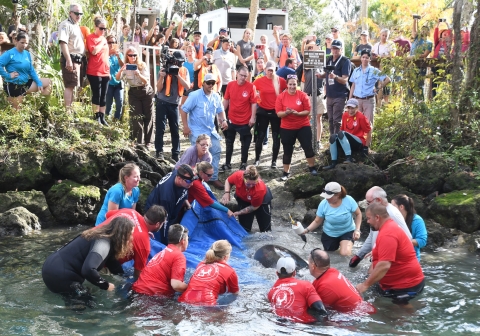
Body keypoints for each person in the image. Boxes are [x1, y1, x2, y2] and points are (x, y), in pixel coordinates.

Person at [42, 217, 134, 296]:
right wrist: (106, 285)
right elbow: (88, 269)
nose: (131, 238)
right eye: (130, 234)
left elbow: (113, 264)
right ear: (122, 235)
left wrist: (126, 280)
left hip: (49, 268)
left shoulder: (100, 236)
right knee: (88, 306)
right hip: (61, 276)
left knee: (86, 297)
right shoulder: (103, 243)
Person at [355, 203, 425, 305]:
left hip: (405, 287)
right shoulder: (389, 226)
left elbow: (384, 265)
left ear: (377, 217)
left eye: (369, 218)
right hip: (396, 284)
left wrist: (364, 285)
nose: (368, 221)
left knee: (397, 316)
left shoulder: (388, 233)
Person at [180, 73, 228, 190]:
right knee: (199, 154)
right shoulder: (194, 95)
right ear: (203, 83)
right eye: (209, 83)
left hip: (210, 130)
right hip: (196, 130)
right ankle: (196, 178)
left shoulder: (216, 96)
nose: (211, 85)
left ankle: (213, 177)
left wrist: (224, 120)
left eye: (213, 83)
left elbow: (220, 111)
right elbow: (183, 110)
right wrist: (185, 126)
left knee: (216, 150)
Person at [349, 186, 413, 267]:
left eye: (368, 202)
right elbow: (372, 235)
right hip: (378, 257)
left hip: (393, 262)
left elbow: (407, 239)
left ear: (378, 200)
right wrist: (359, 256)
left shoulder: (392, 214)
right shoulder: (377, 211)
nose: (367, 205)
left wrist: (378, 250)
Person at [97, 205, 167, 278]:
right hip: (100, 262)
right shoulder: (144, 244)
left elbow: (107, 215)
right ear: (158, 224)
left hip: (90, 239)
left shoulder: (130, 211)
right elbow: (137, 274)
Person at [301, 182, 361, 255]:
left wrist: (357, 230)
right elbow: (317, 221)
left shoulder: (349, 200)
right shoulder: (323, 204)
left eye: (329, 196)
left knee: (345, 254)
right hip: (329, 233)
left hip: (347, 231)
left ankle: (344, 246)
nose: (327, 198)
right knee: (330, 255)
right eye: (326, 196)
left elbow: (358, 214)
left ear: (338, 194)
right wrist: (306, 230)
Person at [276, 74, 317, 180]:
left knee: (307, 147)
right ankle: (286, 172)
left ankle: (312, 167)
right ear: (287, 85)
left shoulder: (303, 95)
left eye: (294, 84)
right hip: (287, 127)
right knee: (287, 150)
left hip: (302, 125)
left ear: (297, 84)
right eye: (290, 84)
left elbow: (307, 111)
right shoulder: (281, 96)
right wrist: (286, 112)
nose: (292, 86)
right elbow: (279, 114)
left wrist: (297, 113)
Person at [309, 249, 375, 313]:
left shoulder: (326, 286)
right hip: (365, 308)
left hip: (356, 315)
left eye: (309, 262)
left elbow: (321, 311)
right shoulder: (333, 271)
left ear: (313, 266)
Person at [132, 224, 189, 296]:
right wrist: (191, 288)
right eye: (187, 239)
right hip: (149, 296)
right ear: (183, 241)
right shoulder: (179, 256)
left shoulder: (163, 251)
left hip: (136, 290)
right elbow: (176, 285)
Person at [348, 50, 390, 149]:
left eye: (367, 57)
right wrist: (350, 101)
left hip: (368, 100)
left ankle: (366, 147)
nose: (365, 59)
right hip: (357, 100)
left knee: (367, 124)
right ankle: (357, 145)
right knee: (356, 123)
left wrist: (379, 87)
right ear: (360, 58)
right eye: (363, 57)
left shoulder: (373, 70)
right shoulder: (356, 71)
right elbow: (353, 86)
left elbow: (387, 79)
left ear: (370, 59)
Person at [179, 240, 239, 305]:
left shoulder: (201, 264)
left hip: (185, 299)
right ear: (225, 257)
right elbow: (235, 293)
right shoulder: (230, 271)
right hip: (207, 303)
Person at [144, 164, 194, 244]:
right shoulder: (167, 196)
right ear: (179, 178)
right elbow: (165, 223)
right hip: (157, 212)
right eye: (188, 181)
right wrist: (167, 243)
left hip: (171, 206)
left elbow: (184, 192)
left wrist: (186, 202)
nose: (191, 184)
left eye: (192, 180)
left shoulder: (179, 175)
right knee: (160, 235)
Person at [0, 32, 51, 109]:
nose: (24, 45)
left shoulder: (27, 53)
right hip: (13, 85)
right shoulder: (10, 53)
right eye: (22, 42)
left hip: (25, 84)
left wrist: (38, 82)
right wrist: (8, 75)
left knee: (48, 82)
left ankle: (42, 109)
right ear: (16, 41)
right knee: (17, 114)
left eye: (26, 43)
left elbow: (31, 69)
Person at [155, 50, 190, 161]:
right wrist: (161, 76)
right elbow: (159, 88)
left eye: (182, 62)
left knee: (175, 130)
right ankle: (159, 152)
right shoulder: (165, 69)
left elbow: (187, 86)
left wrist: (178, 76)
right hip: (162, 102)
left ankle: (176, 153)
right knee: (160, 129)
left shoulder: (184, 71)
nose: (180, 64)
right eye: (179, 62)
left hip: (175, 104)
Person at [268, 257, 327, 323]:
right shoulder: (306, 285)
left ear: (277, 273)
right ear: (294, 273)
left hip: (280, 325)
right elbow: (320, 308)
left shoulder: (271, 293)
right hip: (303, 325)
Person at [220, 66, 257, 172]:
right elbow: (226, 100)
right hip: (232, 119)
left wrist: (252, 117)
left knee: (245, 143)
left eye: (245, 76)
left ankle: (243, 163)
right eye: (241, 75)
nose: (243, 78)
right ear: (237, 73)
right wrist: (221, 115)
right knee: (229, 142)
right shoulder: (230, 85)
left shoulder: (251, 87)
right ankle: (227, 163)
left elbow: (254, 103)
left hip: (245, 120)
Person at [116, 45, 154, 146]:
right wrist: (121, 69)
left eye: (135, 55)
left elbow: (146, 81)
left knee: (148, 115)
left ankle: (148, 141)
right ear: (127, 56)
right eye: (130, 55)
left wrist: (138, 74)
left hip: (145, 91)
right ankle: (138, 141)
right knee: (136, 116)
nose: (133, 57)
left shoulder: (142, 65)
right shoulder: (126, 66)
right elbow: (117, 78)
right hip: (134, 92)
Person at [253, 60, 287, 168]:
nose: (270, 73)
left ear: (275, 70)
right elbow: (251, 90)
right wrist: (256, 99)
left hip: (276, 112)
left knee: (276, 137)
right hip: (263, 111)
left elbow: (289, 91)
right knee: (261, 136)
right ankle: (257, 159)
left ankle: (274, 161)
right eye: (268, 70)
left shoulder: (280, 81)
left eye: (272, 70)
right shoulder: (259, 81)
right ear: (265, 70)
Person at [323, 99, 371, 169]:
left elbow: (369, 131)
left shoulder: (361, 117)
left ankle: (349, 157)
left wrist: (366, 147)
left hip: (358, 141)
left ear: (357, 108)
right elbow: (342, 130)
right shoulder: (345, 115)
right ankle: (333, 162)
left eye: (352, 108)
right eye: (349, 108)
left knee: (341, 133)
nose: (350, 110)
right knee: (333, 137)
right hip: (346, 141)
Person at [221, 165, 272, 232]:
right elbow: (228, 181)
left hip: (261, 202)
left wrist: (238, 213)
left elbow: (254, 207)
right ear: (243, 179)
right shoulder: (238, 176)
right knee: (244, 230)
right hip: (243, 199)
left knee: (266, 230)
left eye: (253, 184)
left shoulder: (259, 188)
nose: (250, 186)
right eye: (248, 184)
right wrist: (227, 192)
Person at [321, 39, 351, 136]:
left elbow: (345, 79)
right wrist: (320, 75)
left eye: (337, 49)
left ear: (341, 49)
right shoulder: (329, 59)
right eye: (333, 48)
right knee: (330, 120)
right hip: (329, 95)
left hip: (340, 95)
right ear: (331, 49)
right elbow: (326, 73)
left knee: (337, 121)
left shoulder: (345, 61)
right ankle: (332, 142)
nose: (335, 50)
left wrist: (335, 77)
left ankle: (338, 142)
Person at [58, 3, 85, 109]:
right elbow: (63, 43)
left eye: (80, 13)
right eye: (76, 13)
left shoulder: (76, 25)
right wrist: (68, 60)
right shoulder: (65, 25)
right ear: (70, 13)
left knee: (74, 85)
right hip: (70, 58)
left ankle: (71, 109)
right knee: (70, 85)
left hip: (78, 59)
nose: (79, 15)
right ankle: (68, 111)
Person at [301, 40, 325, 150]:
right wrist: (309, 44)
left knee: (318, 118)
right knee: (307, 118)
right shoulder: (307, 63)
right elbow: (304, 51)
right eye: (311, 48)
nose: (313, 50)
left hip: (319, 94)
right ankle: (308, 140)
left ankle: (318, 141)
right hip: (309, 95)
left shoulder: (321, 63)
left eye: (315, 48)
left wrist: (317, 47)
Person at [86, 17, 110, 125]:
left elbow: (106, 56)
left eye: (105, 29)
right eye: (101, 28)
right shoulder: (91, 37)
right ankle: (96, 117)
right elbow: (94, 51)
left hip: (105, 70)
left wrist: (108, 71)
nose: (103, 31)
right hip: (94, 71)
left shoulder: (104, 39)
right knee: (97, 94)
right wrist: (102, 42)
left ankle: (102, 116)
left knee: (104, 95)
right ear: (96, 27)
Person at [391, 194, 428, 261]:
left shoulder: (417, 220)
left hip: (411, 259)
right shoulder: (392, 219)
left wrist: (400, 243)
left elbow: (422, 241)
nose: (390, 209)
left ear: (401, 207)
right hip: (394, 258)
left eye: (393, 206)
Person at [105, 35, 124, 121]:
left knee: (119, 103)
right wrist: (108, 54)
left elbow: (123, 65)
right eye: (109, 42)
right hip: (108, 83)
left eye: (113, 42)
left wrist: (118, 56)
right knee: (108, 104)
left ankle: (116, 121)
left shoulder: (119, 54)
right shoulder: (104, 53)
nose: (111, 44)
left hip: (118, 83)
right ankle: (106, 120)